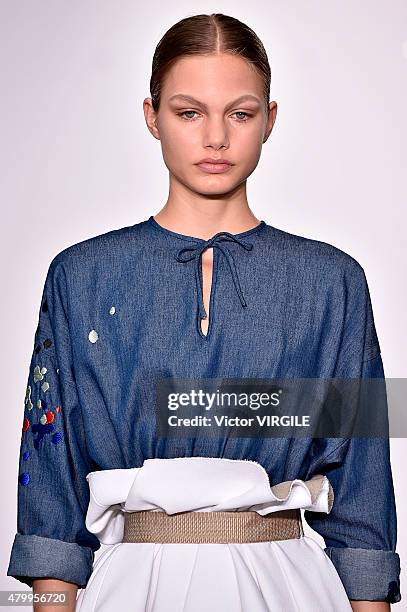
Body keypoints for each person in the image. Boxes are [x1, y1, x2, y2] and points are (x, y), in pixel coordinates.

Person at [7, 12, 401, 612]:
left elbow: (362, 485)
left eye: (239, 113)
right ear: (152, 117)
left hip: (289, 589)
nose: (215, 138)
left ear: (269, 121)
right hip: (130, 589)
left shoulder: (333, 281)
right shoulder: (81, 276)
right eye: (189, 112)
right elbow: (51, 478)